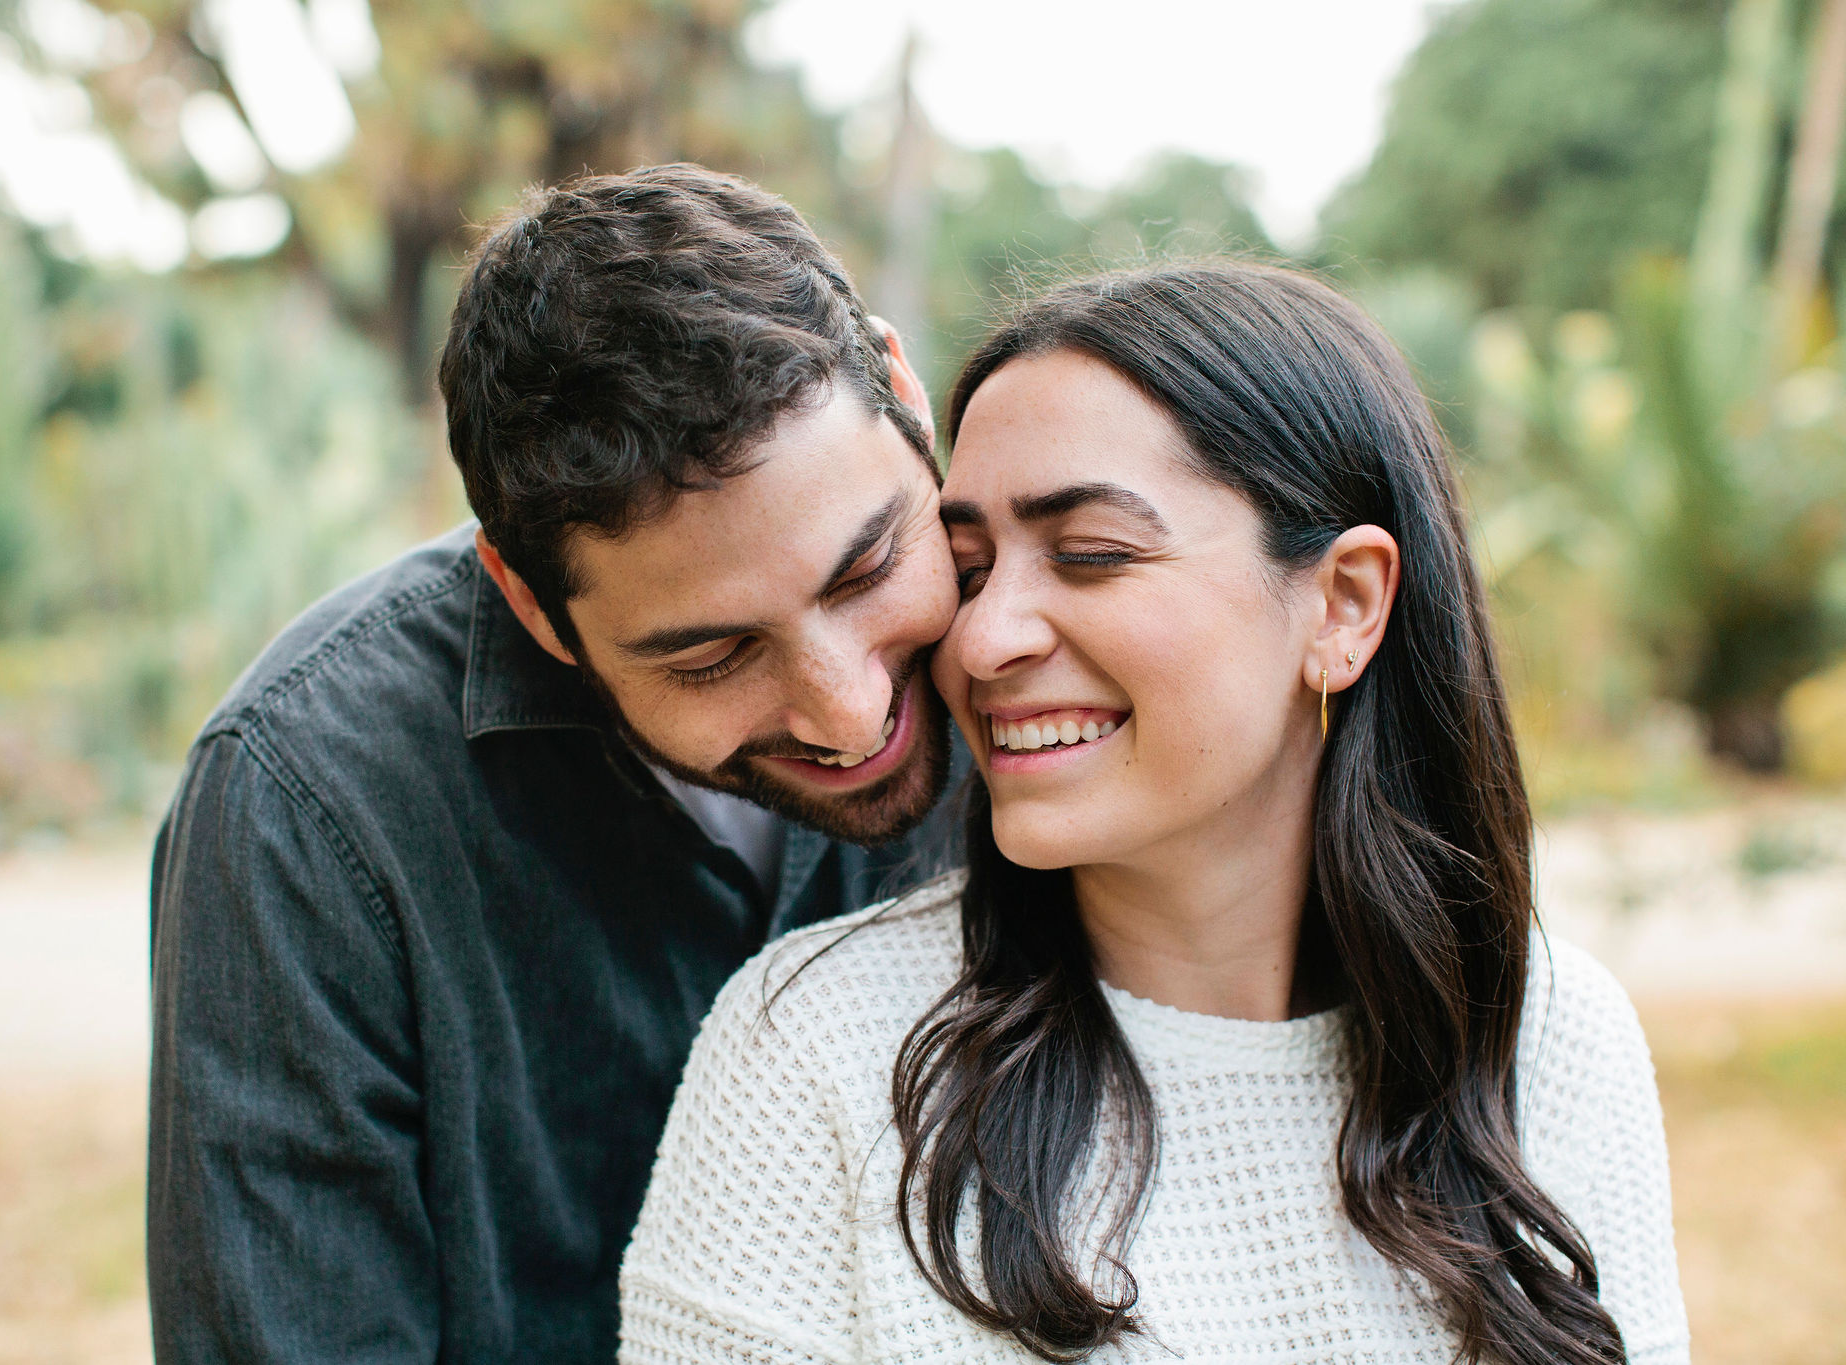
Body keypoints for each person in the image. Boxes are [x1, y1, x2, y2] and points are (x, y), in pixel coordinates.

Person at [619, 262, 1690, 1363]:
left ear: (1343, 604)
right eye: (971, 568)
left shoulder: (1552, 1042)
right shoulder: (817, 1059)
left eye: (1090, 555)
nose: (983, 642)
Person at [146, 164, 962, 1364]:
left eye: (865, 571)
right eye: (711, 657)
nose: (848, 714)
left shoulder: (1055, 664)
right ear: (529, 606)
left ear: (901, 393)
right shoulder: (301, 806)